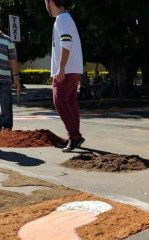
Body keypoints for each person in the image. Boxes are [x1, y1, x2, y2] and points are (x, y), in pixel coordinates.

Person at [45, 0, 85, 152]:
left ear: (51, 2)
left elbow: (66, 43)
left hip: (66, 69)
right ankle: (74, 136)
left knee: (60, 101)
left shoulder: (61, 19)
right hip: (73, 68)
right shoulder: (66, 17)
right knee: (70, 101)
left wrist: (60, 68)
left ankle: (74, 136)